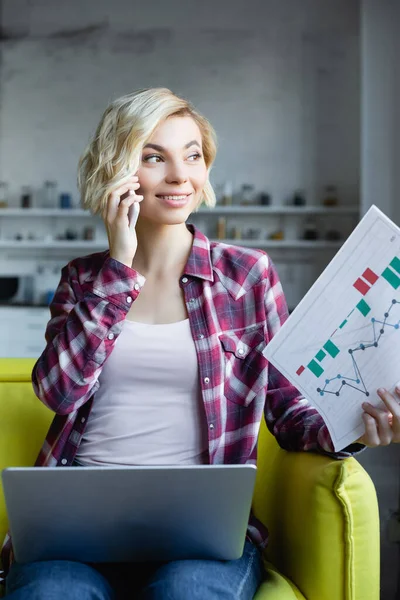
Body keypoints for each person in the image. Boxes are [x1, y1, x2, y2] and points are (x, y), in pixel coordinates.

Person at [2, 88, 399, 599]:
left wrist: (357, 423)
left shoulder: (248, 276)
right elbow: (58, 394)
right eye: (153, 157)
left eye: (192, 155)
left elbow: (289, 413)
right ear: (116, 172)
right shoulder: (84, 279)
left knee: (187, 591)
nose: (178, 175)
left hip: (200, 538)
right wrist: (119, 271)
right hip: (74, 533)